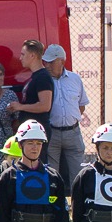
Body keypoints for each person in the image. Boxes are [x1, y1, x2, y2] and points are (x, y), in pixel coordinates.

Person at [42, 44, 89, 188]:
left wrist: (70, 119)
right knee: (51, 174)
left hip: (73, 132)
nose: (47, 65)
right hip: (52, 132)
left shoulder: (75, 79)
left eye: (51, 62)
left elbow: (81, 105)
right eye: (46, 62)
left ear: (61, 61)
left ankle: (78, 200)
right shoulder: (44, 80)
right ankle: (54, 200)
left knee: (78, 174)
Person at [7, 39, 54, 134]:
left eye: (23, 54)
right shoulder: (35, 76)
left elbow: (45, 106)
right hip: (30, 130)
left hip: (38, 131)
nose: (20, 58)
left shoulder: (43, 77)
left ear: (32, 56)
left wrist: (21, 107)